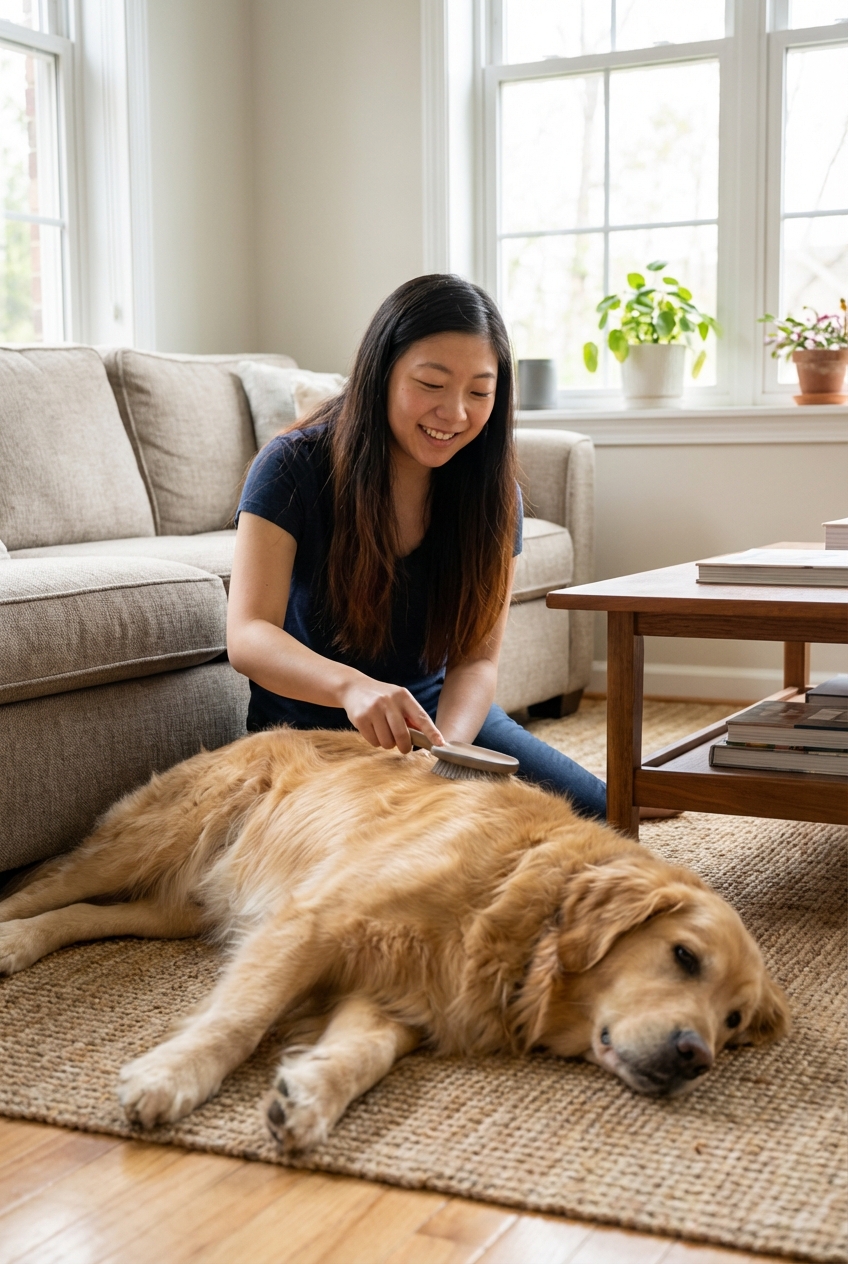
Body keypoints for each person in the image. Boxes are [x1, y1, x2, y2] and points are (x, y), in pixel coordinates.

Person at [227, 274, 607, 819]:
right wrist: (353, 689)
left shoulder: (494, 495)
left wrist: (442, 756)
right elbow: (247, 635)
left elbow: (477, 660)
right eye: (431, 384)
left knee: (604, 814)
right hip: (309, 734)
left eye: (479, 392)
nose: (455, 413)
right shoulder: (291, 465)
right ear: (381, 372)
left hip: (437, 726)